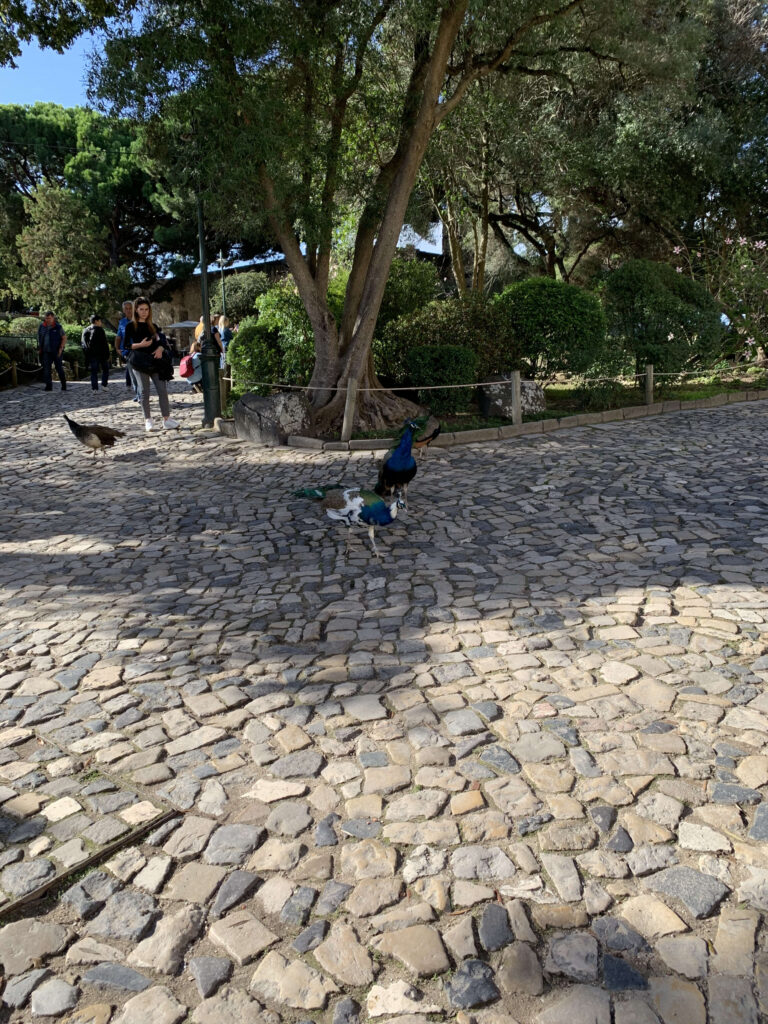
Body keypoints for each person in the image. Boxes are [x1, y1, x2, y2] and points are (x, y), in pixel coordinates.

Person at [124, 297, 180, 432]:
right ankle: (147, 419)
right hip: (139, 362)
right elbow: (126, 345)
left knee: (162, 390)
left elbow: (161, 341)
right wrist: (140, 345)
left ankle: (167, 419)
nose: (144, 312)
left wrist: (160, 349)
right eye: (141, 309)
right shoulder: (130, 326)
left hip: (155, 362)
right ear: (136, 310)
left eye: (146, 309)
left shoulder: (153, 326)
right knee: (144, 392)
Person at [37, 311, 67, 391]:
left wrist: (61, 348)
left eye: (49, 318)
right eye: (46, 318)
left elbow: (64, 338)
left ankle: (64, 385)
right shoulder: (41, 326)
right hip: (46, 351)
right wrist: (40, 348)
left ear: (53, 318)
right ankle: (48, 386)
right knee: (46, 369)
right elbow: (39, 338)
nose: (47, 320)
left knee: (59, 368)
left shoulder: (58, 327)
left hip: (56, 351)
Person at [82, 314, 110, 390]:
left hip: (92, 355)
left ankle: (94, 388)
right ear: (96, 321)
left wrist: (87, 354)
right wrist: (107, 354)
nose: (101, 322)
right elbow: (104, 343)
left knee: (93, 372)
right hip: (102, 354)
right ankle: (104, 385)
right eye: (100, 321)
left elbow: (83, 343)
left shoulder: (86, 330)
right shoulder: (100, 330)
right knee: (105, 369)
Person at [116, 300, 138, 399]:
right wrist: (117, 348)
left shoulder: (138, 320)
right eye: (126, 309)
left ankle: (140, 392)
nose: (128, 310)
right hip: (127, 351)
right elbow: (119, 336)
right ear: (123, 310)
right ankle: (138, 393)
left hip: (139, 349)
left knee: (139, 372)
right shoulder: (122, 322)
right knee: (132, 373)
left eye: (130, 308)